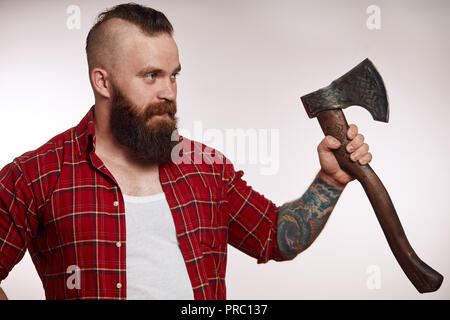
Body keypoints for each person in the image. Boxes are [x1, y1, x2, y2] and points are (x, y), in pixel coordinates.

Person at [0, 3, 372, 300]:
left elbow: (276, 237)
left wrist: (331, 179)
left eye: (173, 74)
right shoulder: (36, 175)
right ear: (103, 82)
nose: (169, 92)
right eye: (151, 75)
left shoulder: (206, 168)